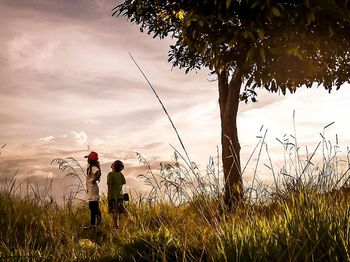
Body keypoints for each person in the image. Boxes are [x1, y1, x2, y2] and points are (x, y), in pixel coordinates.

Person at [107, 160, 126, 227]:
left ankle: (116, 225)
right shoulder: (120, 174)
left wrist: (109, 195)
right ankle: (129, 218)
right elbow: (124, 182)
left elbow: (110, 186)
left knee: (114, 211)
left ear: (113, 166)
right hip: (120, 196)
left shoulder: (110, 175)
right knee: (122, 209)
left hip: (113, 196)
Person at [85, 151, 101, 228]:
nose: (87, 160)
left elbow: (98, 173)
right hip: (91, 189)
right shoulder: (91, 167)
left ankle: (93, 224)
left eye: (88, 158)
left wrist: (93, 180)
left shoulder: (94, 168)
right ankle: (96, 221)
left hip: (93, 189)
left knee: (92, 206)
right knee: (93, 206)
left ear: (91, 160)